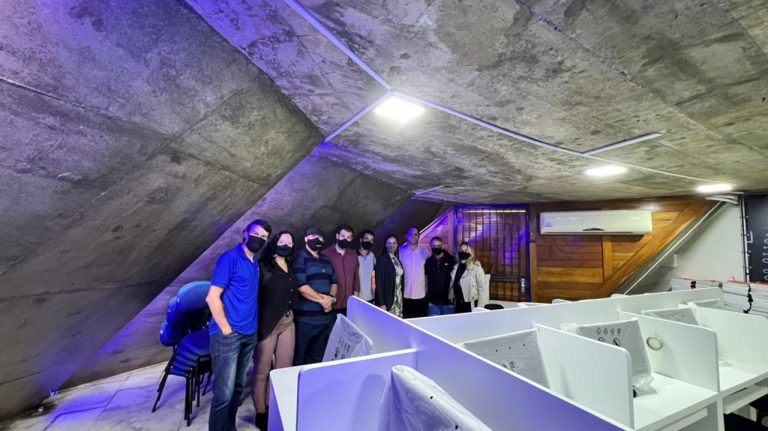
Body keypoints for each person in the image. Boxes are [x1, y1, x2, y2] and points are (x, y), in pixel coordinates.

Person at [206, 219, 271, 431]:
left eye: (264, 237)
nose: (259, 239)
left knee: (237, 388)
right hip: (229, 335)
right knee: (223, 394)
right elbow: (212, 298)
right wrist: (226, 329)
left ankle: (229, 427)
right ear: (245, 233)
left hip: (249, 334)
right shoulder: (230, 258)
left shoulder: (255, 263)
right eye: (256, 234)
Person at [252, 231, 298, 429]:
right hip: (268, 323)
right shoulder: (263, 267)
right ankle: (261, 412)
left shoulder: (290, 265)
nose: (286, 244)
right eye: (282, 241)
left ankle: (273, 406)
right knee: (262, 371)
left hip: (288, 322)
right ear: (274, 243)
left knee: (283, 369)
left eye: (290, 242)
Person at [292, 227, 337, 365]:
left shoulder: (326, 259)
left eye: (320, 237)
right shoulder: (299, 257)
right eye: (313, 236)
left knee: (317, 357)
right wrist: (324, 301)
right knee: (299, 356)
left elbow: (334, 282)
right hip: (305, 320)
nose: (317, 240)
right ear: (306, 239)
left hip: (324, 319)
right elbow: (302, 286)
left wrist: (331, 298)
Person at [322, 224, 360, 316]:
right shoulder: (325, 254)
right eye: (343, 236)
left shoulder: (353, 255)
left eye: (348, 237)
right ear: (337, 236)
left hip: (349, 304)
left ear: (351, 239)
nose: (345, 239)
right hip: (332, 304)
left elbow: (356, 279)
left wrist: (355, 301)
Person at [399, 227, 430, 318]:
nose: (413, 236)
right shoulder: (400, 251)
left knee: (420, 321)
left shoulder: (425, 252)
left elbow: (428, 272)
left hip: (421, 294)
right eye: (410, 234)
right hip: (405, 294)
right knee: (406, 321)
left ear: (419, 236)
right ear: (406, 236)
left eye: (415, 234)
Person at [450, 242, 490, 313]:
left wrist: (479, 309)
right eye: (461, 250)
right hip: (458, 304)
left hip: (470, 305)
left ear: (471, 253)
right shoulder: (455, 267)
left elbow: (482, 290)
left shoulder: (476, 268)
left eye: (466, 251)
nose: (463, 252)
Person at [425, 236, 456, 316]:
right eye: (434, 246)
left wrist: (474, 262)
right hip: (433, 303)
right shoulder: (428, 261)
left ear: (442, 246)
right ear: (431, 247)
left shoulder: (452, 260)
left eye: (438, 246)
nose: (436, 248)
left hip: (448, 302)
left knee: (448, 324)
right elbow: (426, 279)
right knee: (433, 324)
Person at [375, 234, 404, 317]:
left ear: (397, 244)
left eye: (394, 243)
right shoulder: (382, 259)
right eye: (389, 243)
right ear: (385, 244)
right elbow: (378, 282)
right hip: (388, 299)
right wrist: (382, 303)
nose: (392, 245)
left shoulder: (396, 259)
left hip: (398, 297)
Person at [356, 229, 376, 303]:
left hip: (370, 297)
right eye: (366, 239)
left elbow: (374, 276)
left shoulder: (372, 256)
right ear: (361, 240)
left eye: (371, 240)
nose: (369, 242)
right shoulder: (353, 256)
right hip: (357, 297)